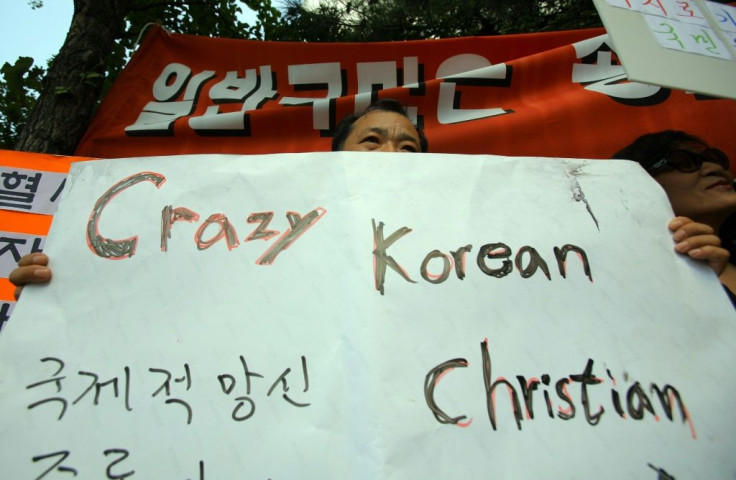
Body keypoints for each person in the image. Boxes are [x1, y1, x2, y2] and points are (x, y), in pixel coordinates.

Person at [9, 98, 428, 299]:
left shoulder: (460, 251)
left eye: (408, 148)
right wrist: (62, 286)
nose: (391, 155)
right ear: (335, 158)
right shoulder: (269, 227)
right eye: (372, 140)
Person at [613, 130, 736, 306]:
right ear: (642, 185)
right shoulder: (628, 279)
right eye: (683, 162)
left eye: (715, 159)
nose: (715, 168)